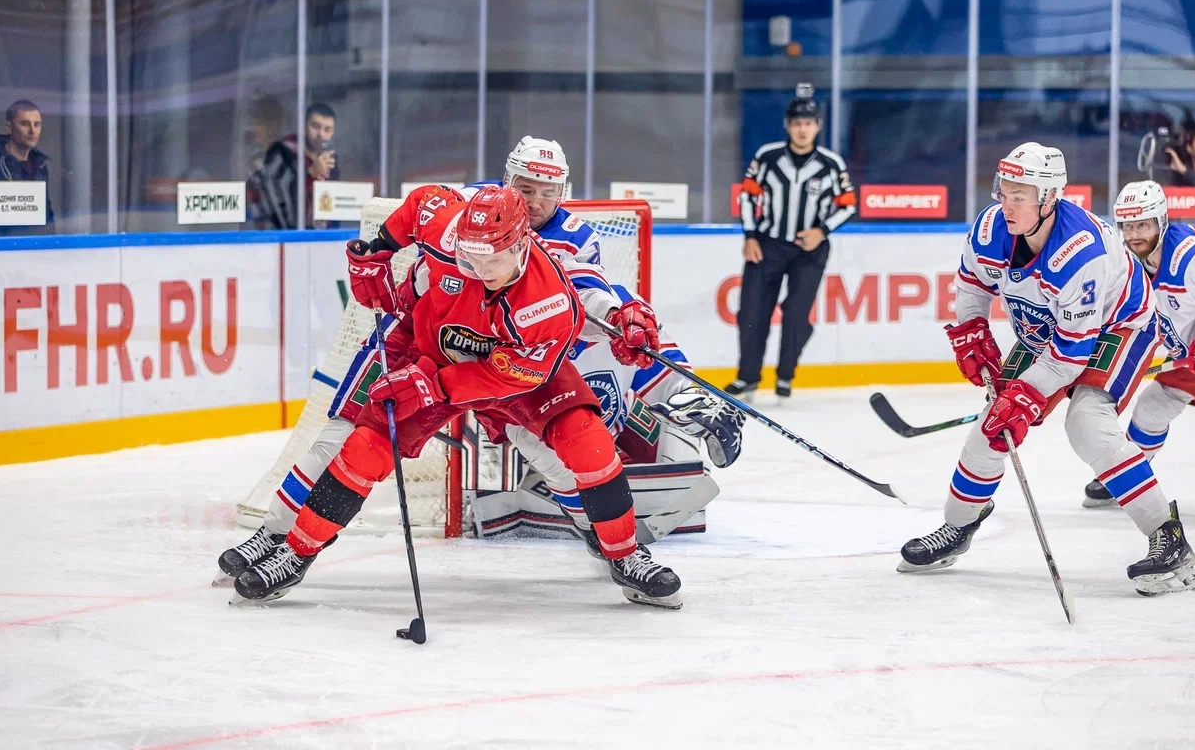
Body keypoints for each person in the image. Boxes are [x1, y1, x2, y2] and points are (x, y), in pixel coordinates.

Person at [219, 138, 741, 574]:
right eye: (524, 187)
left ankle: (609, 536)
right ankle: (275, 538)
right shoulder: (465, 208)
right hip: (424, 344)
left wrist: (626, 312)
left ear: (564, 192)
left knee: (566, 453)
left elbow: (589, 289)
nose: (535, 201)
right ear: (505, 181)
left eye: (547, 191)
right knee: (345, 437)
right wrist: (377, 250)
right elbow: (417, 208)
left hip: (506, 364)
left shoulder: (571, 241)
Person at [898, 142, 1195, 597]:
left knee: (1087, 424)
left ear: (1049, 197)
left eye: (1021, 194)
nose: (1007, 202)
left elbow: (1070, 356)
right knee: (991, 426)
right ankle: (958, 526)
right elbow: (971, 285)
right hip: (1047, 331)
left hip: (1118, 329)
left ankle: (1168, 535)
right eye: (1004, 190)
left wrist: (1025, 394)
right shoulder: (990, 227)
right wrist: (974, 329)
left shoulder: (1081, 253)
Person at [1082, 180, 1195, 508]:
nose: (1135, 235)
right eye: (1128, 226)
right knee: (1152, 409)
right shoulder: (1125, 262)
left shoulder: (1193, 257)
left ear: (1161, 221)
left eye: (1143, 225)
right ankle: (1127, 474)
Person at [729, 83, 856, 399]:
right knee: (752, 311)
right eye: (797, 123)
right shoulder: (767, 157)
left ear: (818, 126)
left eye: (809, 123)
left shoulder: (831, 164)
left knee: (797, 314)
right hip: (767, 244)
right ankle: (748, 378)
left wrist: (821, 231)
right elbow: (747, 196)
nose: (803, 129)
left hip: (809, 251)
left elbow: (848, 204)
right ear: (788, 125)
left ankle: (786, 374)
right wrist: (749, 235)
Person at [247, 102, 341, 229]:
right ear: (304, 125)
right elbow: (276, 197)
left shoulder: (331, 159)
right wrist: (310, 174)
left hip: (320, 236)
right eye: (315, 126)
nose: (321, 134)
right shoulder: (283, 152)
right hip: (287, 236)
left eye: (327, 129)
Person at [0, 99, 53, 222]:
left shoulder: (40, 166)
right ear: (9, 128)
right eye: (25, 124)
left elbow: (46, 214)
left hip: (35, 241)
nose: (32, 131)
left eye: (37, 124)